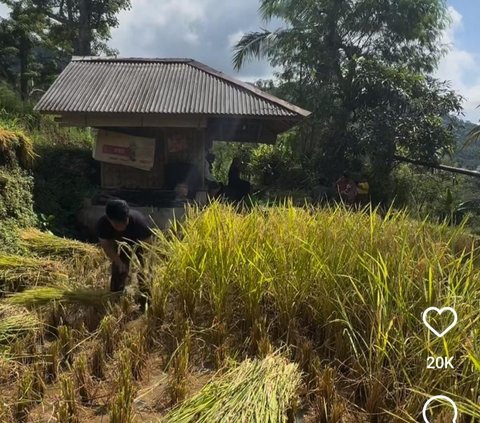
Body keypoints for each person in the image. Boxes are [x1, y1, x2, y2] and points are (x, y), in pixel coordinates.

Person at [96, 199, 153, 311]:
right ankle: (115, 301)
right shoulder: (102, 224)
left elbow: (148, 247)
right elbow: (106, 245)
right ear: (109, 219)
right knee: (118, 270)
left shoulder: (140, 223)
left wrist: (141, 266)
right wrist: (118, 261)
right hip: (119, 246)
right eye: (117, 224)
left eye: (124, 223)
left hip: (140, 245)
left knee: (145, 275)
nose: (122, 227)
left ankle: (146, 304)